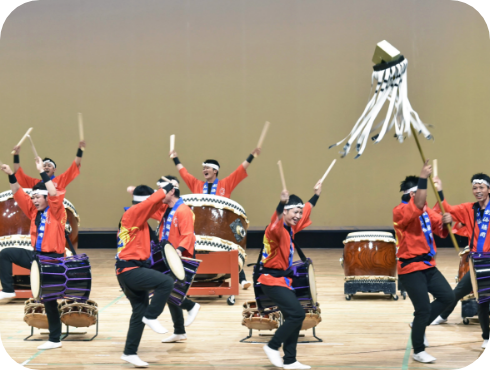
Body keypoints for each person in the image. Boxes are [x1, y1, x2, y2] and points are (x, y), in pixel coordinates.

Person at [169, 147, 261, 297]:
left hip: (222, 225)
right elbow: (184, 174)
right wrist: (175, 158)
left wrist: (252, 156)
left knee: (234, 243)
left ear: (215, 171)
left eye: (207, 168)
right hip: (202, 227)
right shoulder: (197, 185)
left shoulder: (226, 184)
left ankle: (241, 278)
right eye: (203, 168)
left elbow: (239, 170)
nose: (204, 170)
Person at [0, 158, 67, 350]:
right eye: (33, 197)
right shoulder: (33, 212)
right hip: (36, 257)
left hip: (53, 260)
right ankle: (8, 290)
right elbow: (17, 193)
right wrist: (10, 175)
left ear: (46, 197)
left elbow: (53, 192)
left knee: (50, 300)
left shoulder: (57, 210)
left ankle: (55, 339)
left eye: (38, 197)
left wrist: (42, 173)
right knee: (6, 253)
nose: (34, 200)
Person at [393, 160, 455, 363]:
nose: (425, 198)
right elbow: (418, 204)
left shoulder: (427, 210)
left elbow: (441, 230)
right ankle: (418, 350)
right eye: (421, 192)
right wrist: (422, 177)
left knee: (448, 297)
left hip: (428, 265)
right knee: (423, 309)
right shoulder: (400, 211)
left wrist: (446, 222)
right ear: (412, 194)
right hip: (410, 268)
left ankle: (419, 325)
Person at [259, 180, 322, 370]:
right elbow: (275, 221)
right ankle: (272, 346)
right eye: (295, 212)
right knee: (297, 314)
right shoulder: (276, 228)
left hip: (282, 280)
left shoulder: (291, 227)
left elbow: (307, 209)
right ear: (285, 212)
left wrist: (316, 195)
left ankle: (290, 360)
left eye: (299, 213)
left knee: (292, 317)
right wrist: (280, 203)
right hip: (271, 280)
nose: (298, 216)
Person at [116, 184, 175, 368]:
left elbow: (157, 206)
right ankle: (152, 316)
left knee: (138, 311)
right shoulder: (132, 213)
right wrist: (168, 186)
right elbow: (151, 202)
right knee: (166, 282)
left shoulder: (139, 217)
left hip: (128, 270)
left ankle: (129, 353)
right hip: (130, 270)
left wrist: (167, 196)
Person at [430, 173, 490, 349]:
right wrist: (439, 190)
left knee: (483, 301)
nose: (478, 191)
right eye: (475, 188)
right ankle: (442, 315)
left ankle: (486, 336)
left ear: (489, 189)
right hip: (475, 262)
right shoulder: (468, 209)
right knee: (459, 291)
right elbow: (446, 208)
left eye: (481, 187)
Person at [154, 176, 200, 342]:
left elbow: (189, 235)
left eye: (163, 191)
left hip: (178, 257)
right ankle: (180, 331)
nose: (160, 194)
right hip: (168, 256)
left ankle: (191, 306)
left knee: (167, 291)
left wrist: (179, 250)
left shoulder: (184, 210)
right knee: (170, 292)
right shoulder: (166, 209)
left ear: (171, 192)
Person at [12, 140, 86, 190]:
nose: (46, 167)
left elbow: (74, 167)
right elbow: (18, 174)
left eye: (49, 165)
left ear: (54, 170)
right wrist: (16, 155)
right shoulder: (35, 183)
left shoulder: (60, 180)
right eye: (44, 165)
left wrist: (80, 150)